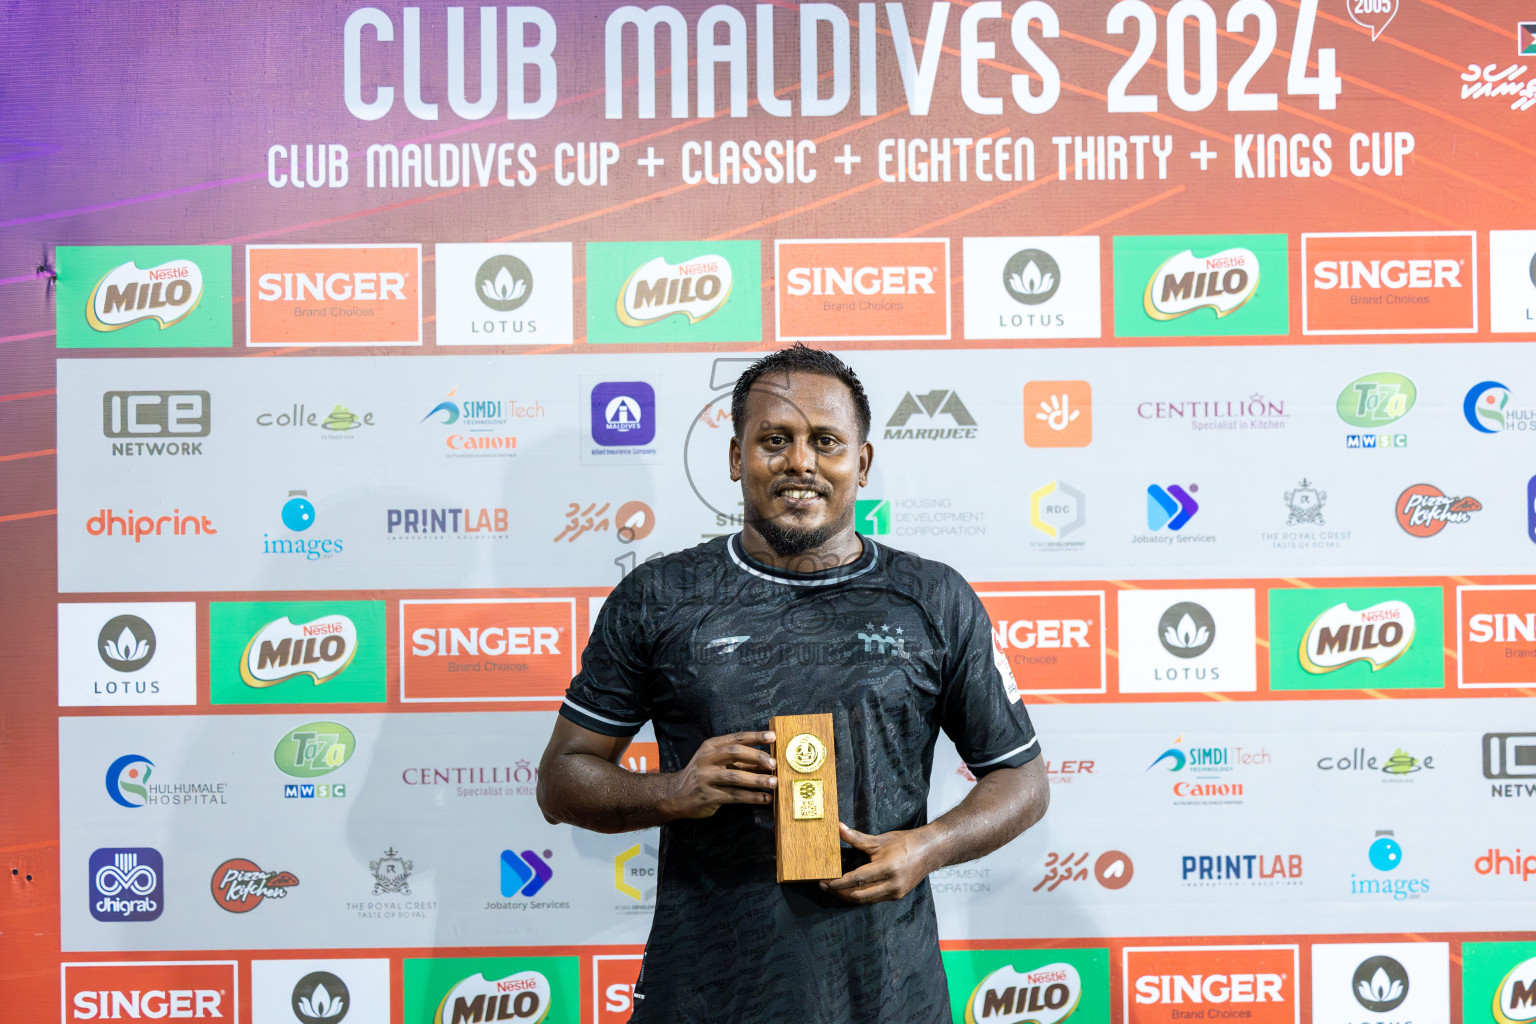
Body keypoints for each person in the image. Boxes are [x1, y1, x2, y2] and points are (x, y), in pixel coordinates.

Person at [537, 344, 1049, 1023]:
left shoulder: (934, 599)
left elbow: (1023, 780)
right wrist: (675, 790)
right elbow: (560, 781)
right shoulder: (659, 597)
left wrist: (927, 846)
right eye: (773, 440)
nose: (800, 462)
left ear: (861, 464)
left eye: (826, 442)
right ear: (734, 458)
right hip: (706, 995)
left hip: (887, 993)